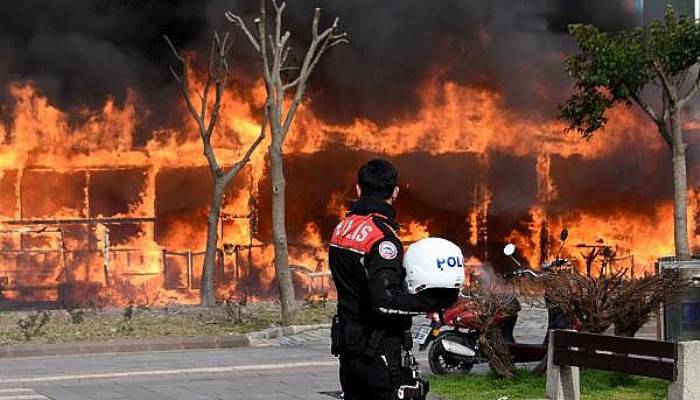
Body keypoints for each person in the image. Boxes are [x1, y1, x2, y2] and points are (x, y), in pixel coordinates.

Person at [329, 159, 454, 400]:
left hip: (348, 343)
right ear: (395, 192)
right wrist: (433, 301)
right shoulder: (382, 239)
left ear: (358, 189)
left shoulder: (342, 229)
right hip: (377, 348)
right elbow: (385, 301)